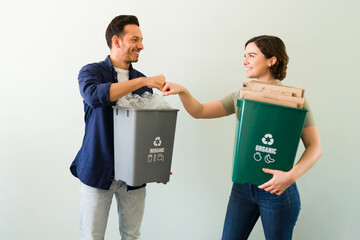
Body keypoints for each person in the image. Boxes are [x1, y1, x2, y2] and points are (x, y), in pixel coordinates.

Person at [162, 35, 322, 240]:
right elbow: (200, 111)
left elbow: (315, 146)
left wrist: (290, 177)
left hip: (277, 188)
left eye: (252, 55)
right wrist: (183, 91)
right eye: (245, 55)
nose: (245, 60)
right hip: (242, 188)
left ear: (271, 60)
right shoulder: (241, 95)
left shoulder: (295, 100)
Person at [70, 15, 166, 240]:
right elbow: (94, 97)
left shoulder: (144, 81)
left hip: (134, 178)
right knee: (92, 236)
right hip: (97, 171)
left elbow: (146, 132)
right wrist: (142, 82)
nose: (141, 46)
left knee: (131, 236)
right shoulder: (91, 72)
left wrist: (155, 163)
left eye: (141, 40)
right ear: (116, 41)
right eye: (135, 39)